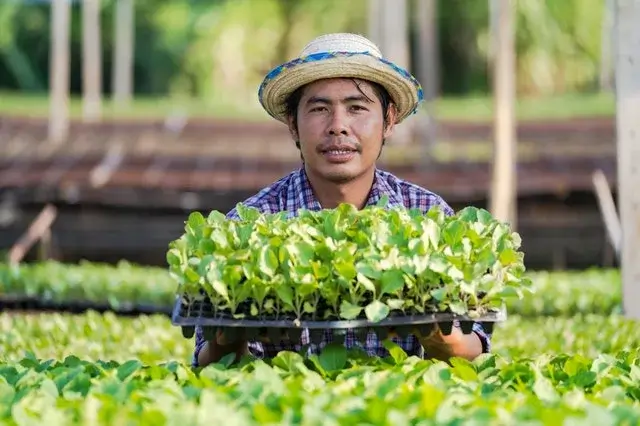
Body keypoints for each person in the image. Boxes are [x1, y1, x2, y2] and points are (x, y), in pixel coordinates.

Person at [193, 33, 491, 368]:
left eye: (357, 108)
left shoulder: (431, 218)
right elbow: (209, 362)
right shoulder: (244, 227)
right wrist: (233, 333)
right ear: (293, 124)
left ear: (389, 120)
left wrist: (427, 324)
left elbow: (474, 350)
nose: (338, 127)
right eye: (319, 109)